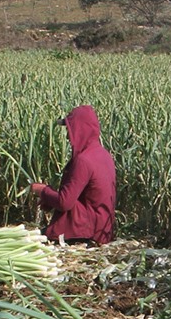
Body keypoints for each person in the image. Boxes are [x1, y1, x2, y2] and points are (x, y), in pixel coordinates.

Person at [31, 105, 115, 245]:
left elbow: (65, 202)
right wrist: (51, 199)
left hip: (87, 232)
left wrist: (42, 191)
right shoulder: (104, 155)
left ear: (80, 130)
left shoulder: (84, 160)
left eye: (70, 129)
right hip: (103, 230)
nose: (68, 136)